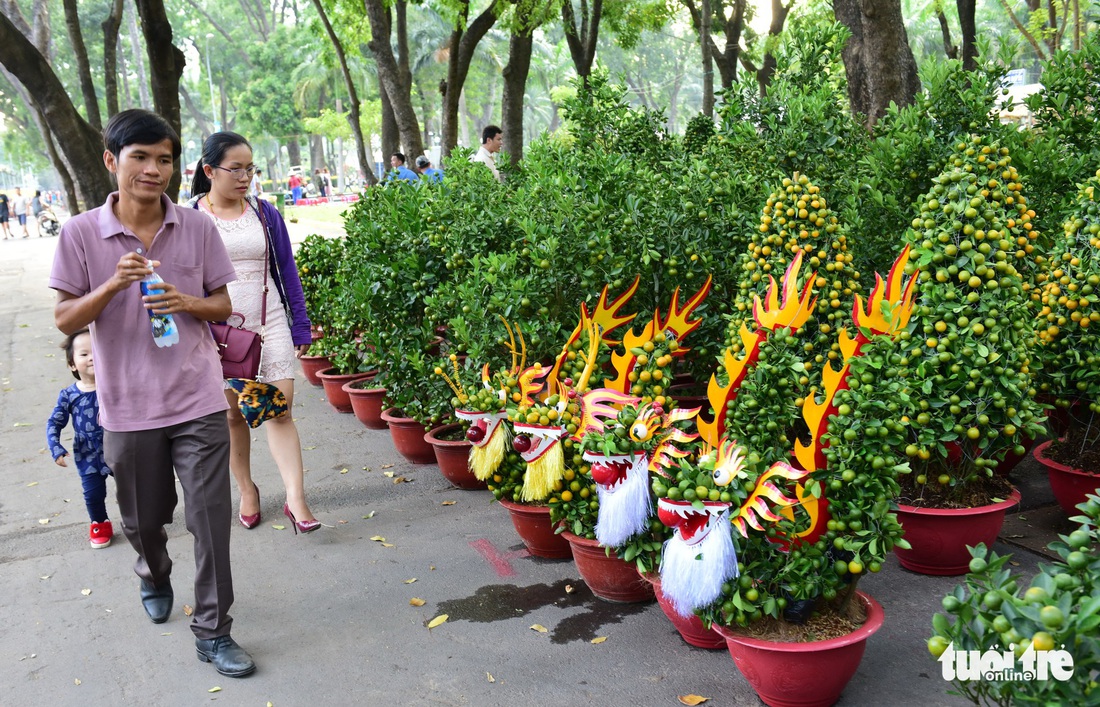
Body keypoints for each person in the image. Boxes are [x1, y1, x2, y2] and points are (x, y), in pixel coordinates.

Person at [49, 109, 255, 677]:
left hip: (198, 399)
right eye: (140, 157)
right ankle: (153, 569)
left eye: (164, 159)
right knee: (142, 519)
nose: (153, 169)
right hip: (127, 407)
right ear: (113, 162)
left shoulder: (197, 227)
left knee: (211, 518)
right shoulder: (81, 233)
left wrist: (187, 302)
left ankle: (214, 631)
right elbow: (65, 317)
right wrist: (112, 283)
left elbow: (223, 304)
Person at [189, 131, 319, 538]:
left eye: (251, 168)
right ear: (210, 171)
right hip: (217, 335)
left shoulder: (265, 213)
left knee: (278, 409)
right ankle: (247, 489)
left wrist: (301, 323)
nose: (245, 177)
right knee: (232, 415)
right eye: (236, 169)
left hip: (270, 324)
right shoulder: (190, 218)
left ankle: (296, 499)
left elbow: (287, 272)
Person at [46, 329, 115, 549]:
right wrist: (55, 446)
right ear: (72, 364)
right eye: (84, 354)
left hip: (118, 447)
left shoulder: (115, 385)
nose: (92, 357)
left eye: (95, 351)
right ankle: (100, 525)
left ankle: (140, 521)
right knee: (93, 493)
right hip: (88, 454)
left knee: (130, 489)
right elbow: (54, 423)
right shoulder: (69, 395)